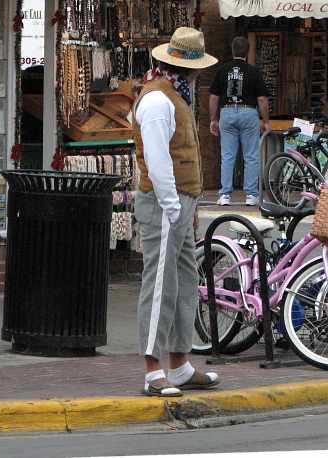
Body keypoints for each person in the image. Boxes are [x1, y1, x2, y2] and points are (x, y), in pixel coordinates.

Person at [133, 27, 220, 397]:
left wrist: (190, 206)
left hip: (180, 202)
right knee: (160, 285)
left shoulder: (173, 95)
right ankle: (154, 370)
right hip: (165, 203)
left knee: (185, 281)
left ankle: (180, 364)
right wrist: (173, 207)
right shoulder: (158, 100)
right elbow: (157, 161)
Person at [209, 36, 270, 206]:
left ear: (232, 50)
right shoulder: (254, 72)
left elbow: (213, 97)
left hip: (226, 112)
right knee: (250, 156)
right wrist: (265, 121)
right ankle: (251, 195)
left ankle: (225, 195)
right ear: (248, 51)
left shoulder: (222, 70)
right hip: (248, 112)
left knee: (227, 156)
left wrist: (213, 119)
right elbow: (263, 99)